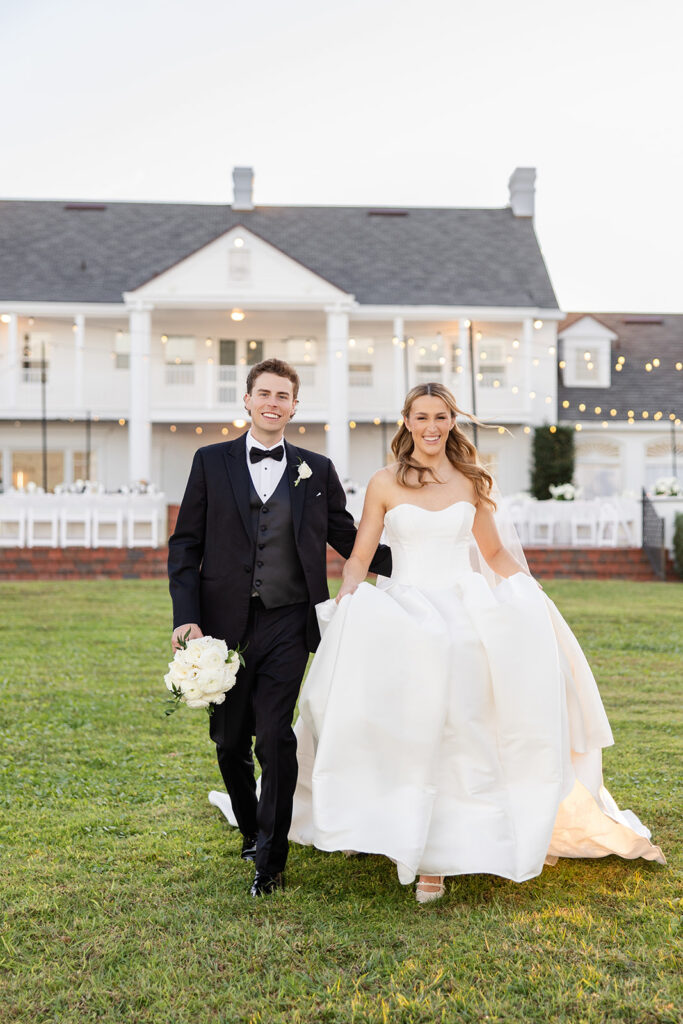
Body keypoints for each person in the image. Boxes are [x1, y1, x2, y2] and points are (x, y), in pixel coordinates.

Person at [285, 382, 665, 903]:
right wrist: (347, 601)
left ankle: (439, 856)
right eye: (421, 417)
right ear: (407, 423)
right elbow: (359, 557)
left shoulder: (472, 481)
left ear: (451, 422)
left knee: (462, 723)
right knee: (392, 719)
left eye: (440, 417)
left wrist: (528, 593)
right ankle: (379, 821)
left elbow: (494, 553)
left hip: (462, 607)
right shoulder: (383, 483)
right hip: (403, 607)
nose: (431, 427)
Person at [167, 358, 391, 896]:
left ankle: (271, 858)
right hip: (222, 628)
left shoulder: (317, 468)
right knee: (228, 742)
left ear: (294, 405)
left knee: (275, 736)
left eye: (283, 395)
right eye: (263, 393)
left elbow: (346, 536)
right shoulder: (209, 462)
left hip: (290, 621)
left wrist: (421, 561)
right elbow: (186, 545)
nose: (272, 402)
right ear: (246, 400)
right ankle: (251, 828)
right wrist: (187, 618)